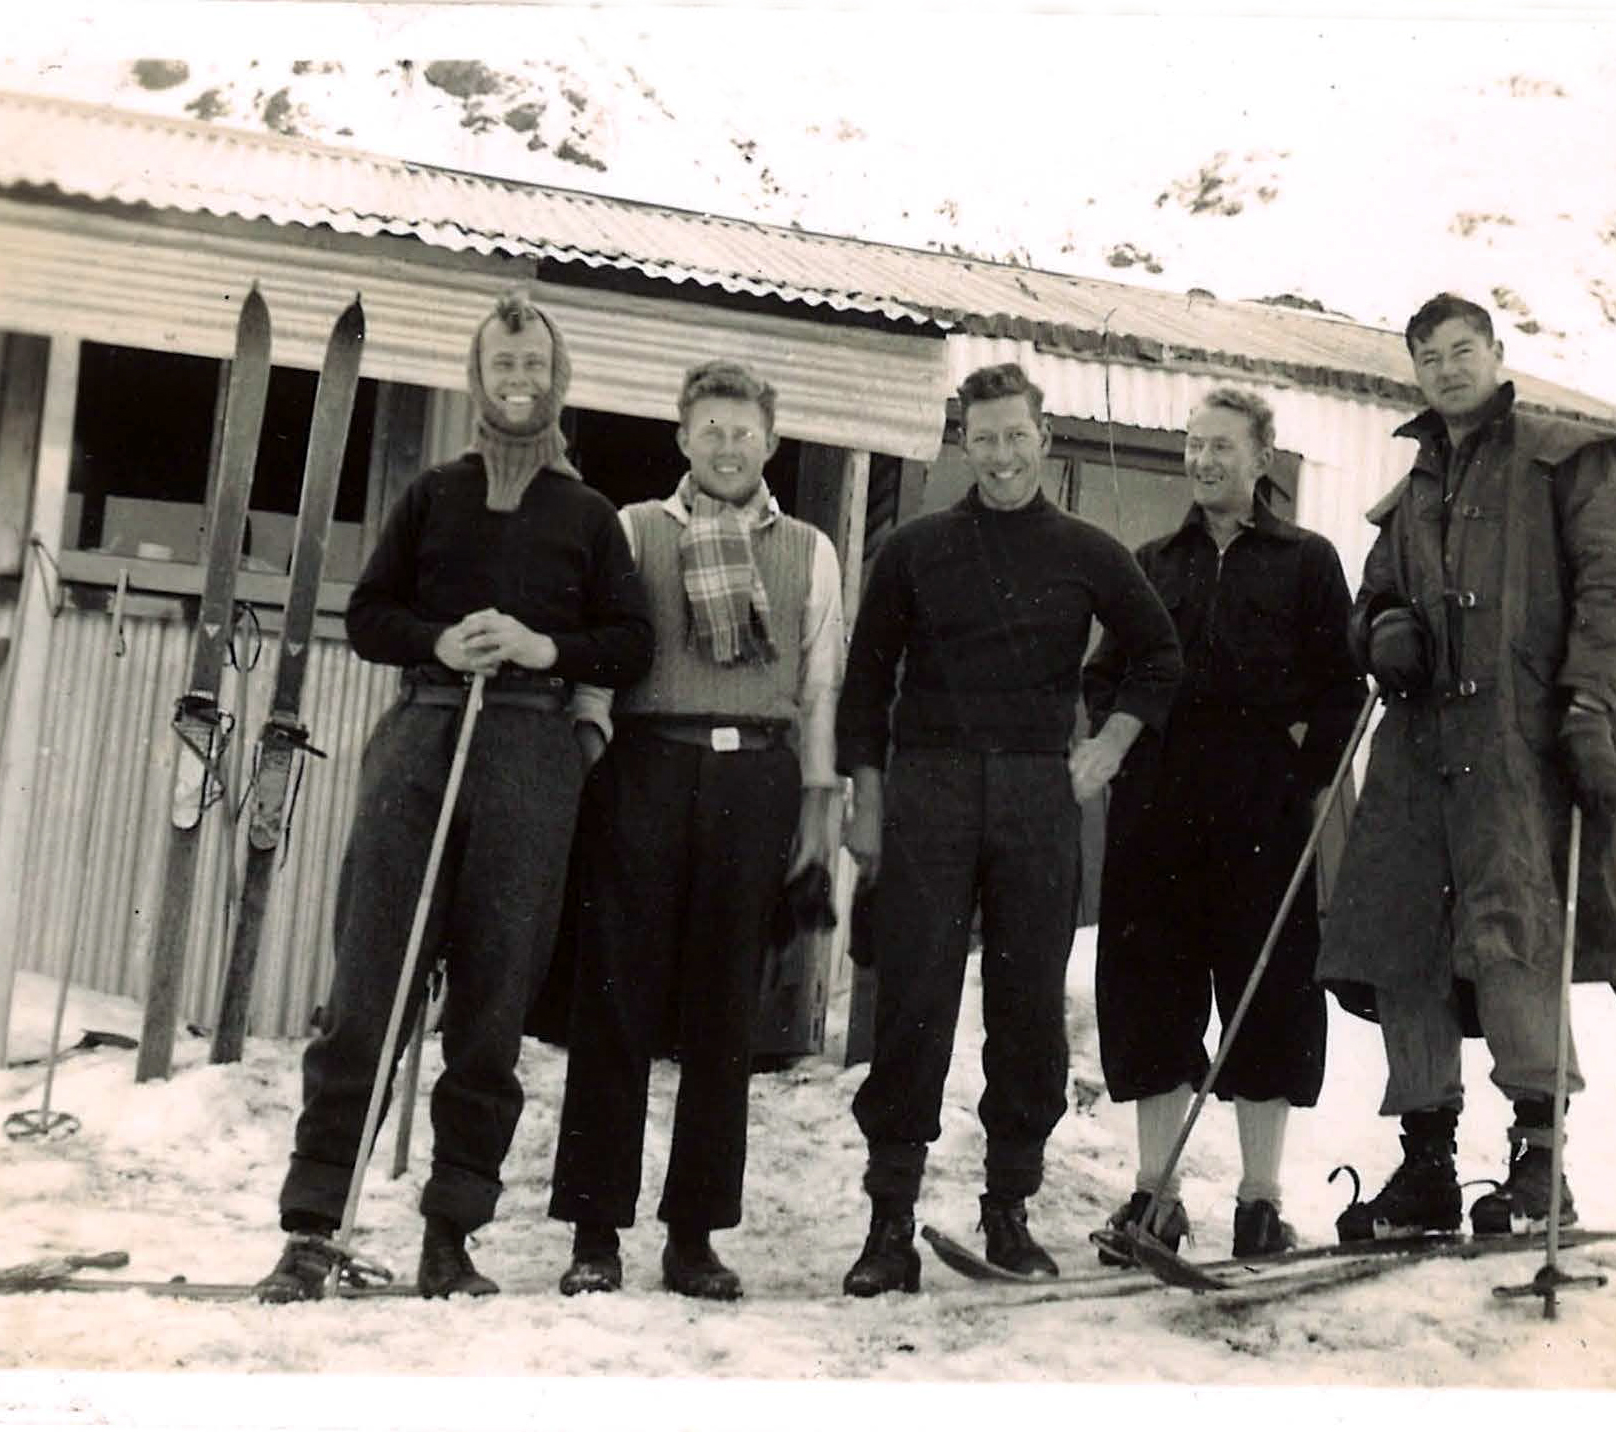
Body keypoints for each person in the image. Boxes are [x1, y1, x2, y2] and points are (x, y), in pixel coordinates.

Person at [254, 290, 653, 1301]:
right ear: (477, 378)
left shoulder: (591, 516)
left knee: (492, 1000)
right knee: (368, 986)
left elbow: (629, 640)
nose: (518, 382)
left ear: (556, 381)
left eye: (533, 366)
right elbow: (367, 612)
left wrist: (544, 647)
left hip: (528, 748)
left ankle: (451, 1232)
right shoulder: (434, 494)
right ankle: (312, 1227)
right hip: (424, 731)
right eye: (500, 365)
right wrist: (435, 639)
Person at [1317, 293, 1616, 1243]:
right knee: (1404, 943)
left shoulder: (1568, 459)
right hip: (1418, 755)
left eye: (1461, 349)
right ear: (1414, 371)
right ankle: (1428, 1164)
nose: (1446, 367)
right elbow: (1377, 590)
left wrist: (1591, 698)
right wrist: (1384, 626)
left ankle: (1538, 1166)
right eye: (1427, 355)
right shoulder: (1414, 489)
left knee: (1513, 939)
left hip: (1525, 752)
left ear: (1497, 352)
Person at [836, 362, 1183, 1294]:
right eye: (982, 438)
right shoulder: (915, 550)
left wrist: (1107, 744)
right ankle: (889, 1223)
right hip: (931, 790)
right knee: (913, 1001)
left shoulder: (1087, 551)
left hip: (1038, 796)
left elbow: (1158, 654)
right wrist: (867, 800)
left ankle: (1009, 1210)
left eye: (1015, 436)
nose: (999, 455)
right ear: (964, 443)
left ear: (1044, 437)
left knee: (1028, 1012)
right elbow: (865, 685)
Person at [550, 360, 843, 1301]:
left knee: (725, 1014)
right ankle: (596, 1232)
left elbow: (819, 689)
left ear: (773, 440)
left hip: (754, 777)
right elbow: (597, 664)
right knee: (616, 998)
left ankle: (694, 1238)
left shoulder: (810, 549)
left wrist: (814, 808)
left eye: (744, 429)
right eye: (709, 427)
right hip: (645, 768)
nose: (727, 444)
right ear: (682, 437)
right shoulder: (634, 532)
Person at [1084, 387, 1366, 1263]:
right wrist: (1128, 755)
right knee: (1150, 999)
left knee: (1266, 1003)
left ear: (1261, 457)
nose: (1204, 461)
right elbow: (1104, 679)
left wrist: (1297, 773)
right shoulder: (1149, 561)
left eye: (1222, 447)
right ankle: (1154, 1196)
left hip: (1261, 819)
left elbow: (1343, 690)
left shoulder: (1309, 560)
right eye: (1193, 446)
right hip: (1158, 816)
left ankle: (1258, 1202)